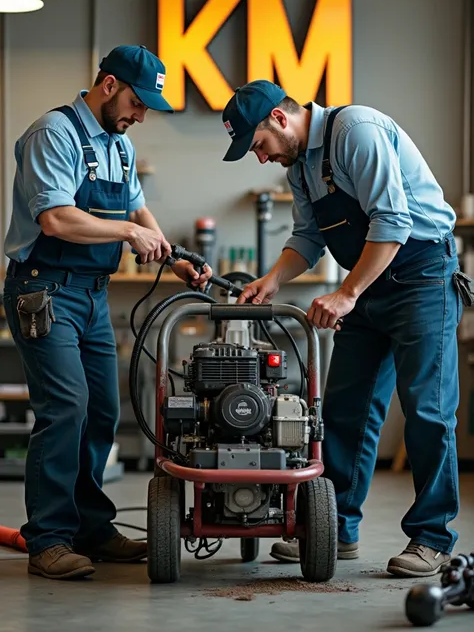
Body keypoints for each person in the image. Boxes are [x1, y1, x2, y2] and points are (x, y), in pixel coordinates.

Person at [220, 80, 463, 578]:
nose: (260, 158)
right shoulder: (300, 166)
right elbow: (308, 237)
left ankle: (432, 539)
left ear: (280, 120)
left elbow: (393, 221)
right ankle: (338, 528)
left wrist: (346, 293)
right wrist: (271, 279)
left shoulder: (356, 131)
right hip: (365, 285)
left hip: (421, 277)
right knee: (346, 411)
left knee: (428, 410)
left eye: (258, 145)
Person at [1, 45, 211, 580]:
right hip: (44, 290)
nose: (141, 116)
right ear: (110, 83)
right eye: (139, 103)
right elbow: (55, 219)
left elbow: (137, 208)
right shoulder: (55, 134)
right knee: (65, 407)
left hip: (91, 293)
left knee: (101, 411)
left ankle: (91, 529)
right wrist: (127, 232)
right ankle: (48, 539)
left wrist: (176, 257)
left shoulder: (117, 144)